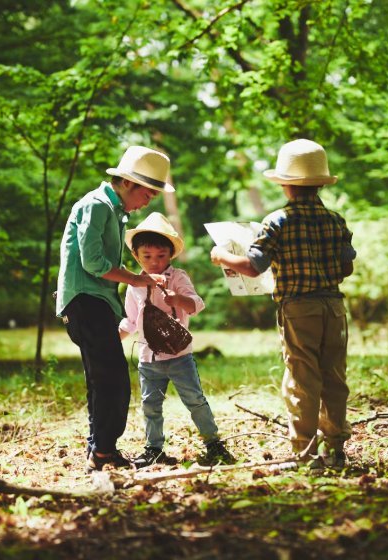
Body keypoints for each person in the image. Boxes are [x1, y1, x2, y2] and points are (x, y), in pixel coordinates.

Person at [210, 139, 356, 469]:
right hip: (334, 307)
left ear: (286, 185)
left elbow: (253, 266)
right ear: (320, 183)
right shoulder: (336, 220)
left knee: (302, 379)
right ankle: (336, 449)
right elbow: (346, 268)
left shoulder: (277, 221)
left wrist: (222, 256)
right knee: (334, 376)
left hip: (297, 308)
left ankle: (305, 453)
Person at [56, 146, 172, 472]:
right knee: (114, 381)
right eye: (147, 193)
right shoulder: (96, 206)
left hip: (99, 301)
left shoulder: (113, 210)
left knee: (101, 379)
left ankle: (101, 450)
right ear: (127, 183)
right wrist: (138, 278)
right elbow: (93, 262)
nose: (148, 201)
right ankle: (103, 450)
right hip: (86, 301)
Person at [119, 212, 236, 467]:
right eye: (147, 256)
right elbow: (130, 319)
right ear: (136, 256)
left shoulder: (178, 277)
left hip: (179, 355)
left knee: (194, 399)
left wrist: (177, 299)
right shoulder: (134, 284)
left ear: (170, 255)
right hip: (148, 357)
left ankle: (213, 443)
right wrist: (115, 336)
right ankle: (154, 448)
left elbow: (197, 304)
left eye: (161, 256)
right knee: (150, 405)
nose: (154, 262)